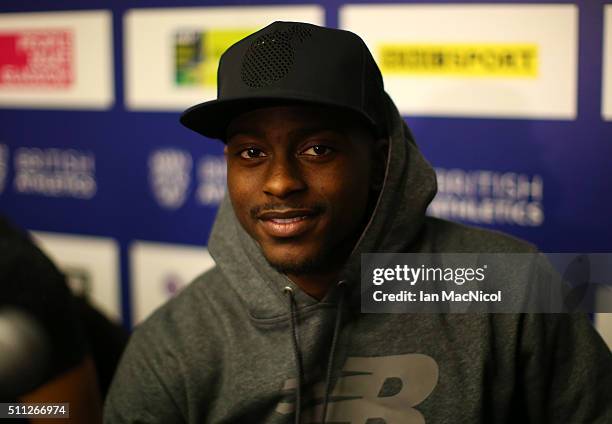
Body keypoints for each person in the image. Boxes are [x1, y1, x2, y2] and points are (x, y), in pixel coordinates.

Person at [104, 21, 611, 423]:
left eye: (317, 149)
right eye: (251, 152)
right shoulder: (174, 342)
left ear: (381, 162)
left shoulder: (510, 288)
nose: (280, 182)